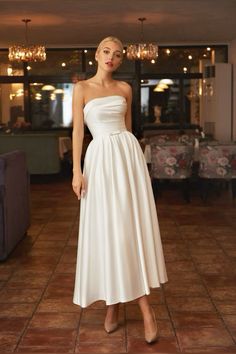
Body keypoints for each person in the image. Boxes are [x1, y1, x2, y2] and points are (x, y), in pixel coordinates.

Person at [72, 36, 168, 344]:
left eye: (116, 55)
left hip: (127, 159)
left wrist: (136, 165)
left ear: (121, 60)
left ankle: (145, 311)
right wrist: (77, 171)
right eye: (106, 52)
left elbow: (127, 130)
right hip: (98, 161)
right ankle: (112, 306)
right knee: (107, 231)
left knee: (129, 230)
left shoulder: (125, 89)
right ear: (97, 54)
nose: (110, 58)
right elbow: (77, 132)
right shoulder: (81, 88)